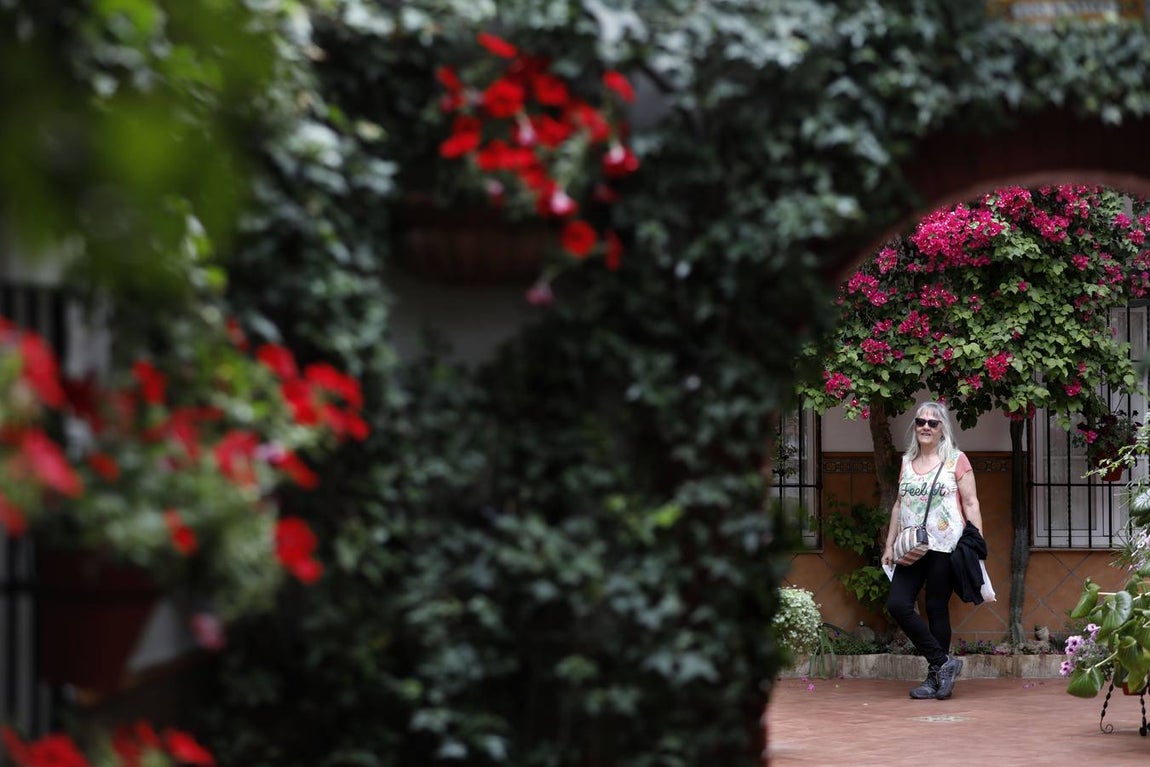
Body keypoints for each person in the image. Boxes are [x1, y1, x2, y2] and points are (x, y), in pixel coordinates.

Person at [882, 400, 983, 700]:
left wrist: (977, 544)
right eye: (920, 422)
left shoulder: (956, 460)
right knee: (898, 604)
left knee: (936, 608)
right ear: (915, 427)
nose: (926, 427)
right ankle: (943, 663)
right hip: (911, 547)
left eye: (933, 423)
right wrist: (889, 544)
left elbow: (971, 503)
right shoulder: (906, 462)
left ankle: (934, 678)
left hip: (945, 546)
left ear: (942, 430)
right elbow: (899, 505)